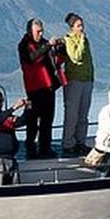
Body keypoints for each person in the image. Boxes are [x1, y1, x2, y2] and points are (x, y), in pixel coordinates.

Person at [17, 17, 65, 158]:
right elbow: (31, 58)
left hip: (48, 87)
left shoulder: (45, 43)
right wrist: (47, 46)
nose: (41, 34)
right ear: (30, 31)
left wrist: (59, 49)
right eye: (38, 31)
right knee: (32, 121)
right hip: (34, 89)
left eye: (42, 31)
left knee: (47, 120)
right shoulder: (23, 45)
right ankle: (30, 148)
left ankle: (45, 147)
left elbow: (55, 61)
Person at [61, 12, 94, 155]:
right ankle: (68, 143)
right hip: (74, 80)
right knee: (72, 114)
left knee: (83, 114)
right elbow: (76, 57)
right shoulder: (68, 40)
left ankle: (81, 141)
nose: (82, 28)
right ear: (72, 27)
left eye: (82, 25)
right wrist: (80, 40)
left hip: (87, 79)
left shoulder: (86, 40)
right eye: (78, 26)